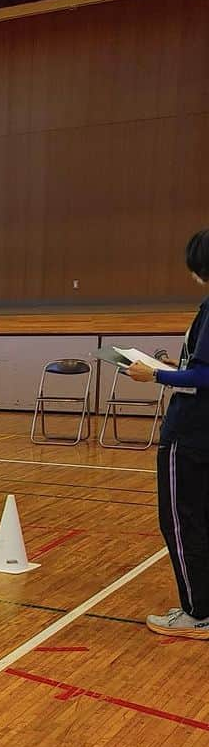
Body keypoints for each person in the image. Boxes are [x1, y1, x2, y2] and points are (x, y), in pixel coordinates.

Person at [128, 229, 209, 638]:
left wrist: (156, 374)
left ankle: (197, 613)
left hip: (192, 432)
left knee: (180, 520)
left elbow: (204, 374)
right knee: (200, 519)